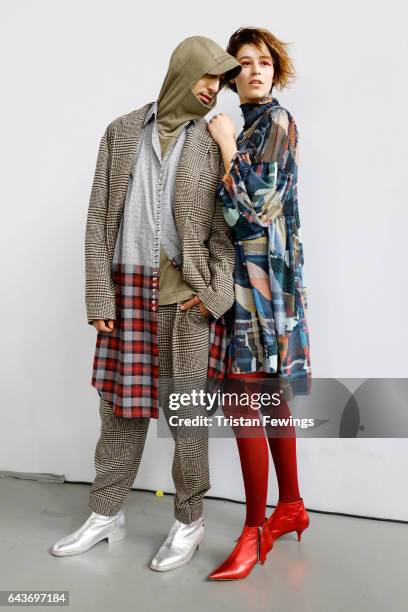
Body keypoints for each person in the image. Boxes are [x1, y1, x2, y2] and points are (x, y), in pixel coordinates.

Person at [50, 36, 241, 572]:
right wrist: (97, 292)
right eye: (207, 76)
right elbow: (96, 220)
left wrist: (216, 293)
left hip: (188, 299)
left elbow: (230, 228)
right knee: (119, 413)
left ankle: (190, 520)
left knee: (187, 416)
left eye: (220, 81)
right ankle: (106, 513)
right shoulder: (122, 132)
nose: (212, 90)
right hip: (127, 291)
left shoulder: (212, 140)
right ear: (182, 71)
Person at [206, 27, 312, 580]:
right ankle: (290, 506)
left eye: (264, 62)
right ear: (230, 74)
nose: (254, 70)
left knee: (246, 400)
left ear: (276, 71)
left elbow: (254, 212)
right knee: (266, 400)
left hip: (263, 286)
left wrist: (225, 146)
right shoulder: (244, 124)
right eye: (243, 63)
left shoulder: (274, 122)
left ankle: (253, 532)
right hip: (246, 283)